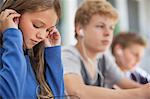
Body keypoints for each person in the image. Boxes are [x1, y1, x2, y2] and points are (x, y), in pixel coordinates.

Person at [62, 0, 150, 99]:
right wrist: (140, 93)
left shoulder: (103, 58)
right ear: (80, 29)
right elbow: (76, 92)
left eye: (111, 27)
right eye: (100, 26)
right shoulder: (68, 54)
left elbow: (131, 86)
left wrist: (144, 91)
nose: (108, 33)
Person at [0, 0, 64, 98]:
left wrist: (53, 54)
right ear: (13, 16)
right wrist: (12, 35)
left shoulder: (33, 59)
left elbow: (57, 96)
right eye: (36, 25)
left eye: (48, 30)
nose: (42, 36)